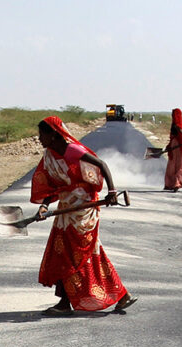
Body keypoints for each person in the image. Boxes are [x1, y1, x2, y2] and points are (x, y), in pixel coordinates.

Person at [31, 116, 136, 316]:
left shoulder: (72, 150)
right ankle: (68, 302)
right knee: (65, 254)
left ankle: (119, 295)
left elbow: (102, 165)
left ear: (53, 134)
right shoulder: (50, 156)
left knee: (76, 256)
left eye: (42, 134)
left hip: (83, 211)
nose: (39, 139)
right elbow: (53, 187)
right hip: (66, 210)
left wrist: (112, 192)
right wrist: (44, 207)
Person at [163, 108, 182, 191]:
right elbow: (179, 129)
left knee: (172, 163)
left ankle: (169, 183)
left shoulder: (173, 124)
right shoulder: (176, 124)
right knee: (178, 163)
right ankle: (176, 183)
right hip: (178, 144)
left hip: (175, 143)